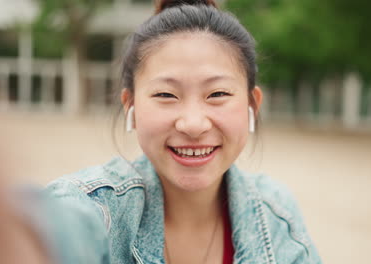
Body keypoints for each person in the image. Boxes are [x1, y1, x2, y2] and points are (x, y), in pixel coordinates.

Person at [18, 0, 323, 263]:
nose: (192, 124)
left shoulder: (277, 218)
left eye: (217, 94)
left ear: (252, 105)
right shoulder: (96, 208)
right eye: (166, 95)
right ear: (131, 106)